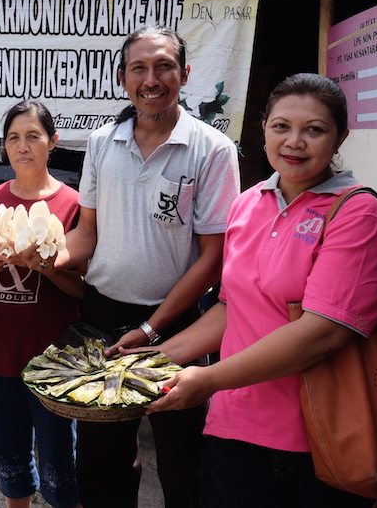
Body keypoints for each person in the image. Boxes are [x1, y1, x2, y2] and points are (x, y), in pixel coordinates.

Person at [135, 72, 377, 507]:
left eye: (314, 130)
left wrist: (208, 379)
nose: (294, 142)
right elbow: (232, 308)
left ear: (340, 137)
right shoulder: (247, 203)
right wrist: (154, 359)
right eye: (281, 126)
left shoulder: (357, 213)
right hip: (232, 430)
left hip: (317, 439)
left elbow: (323, 331)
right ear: (264, 129)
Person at [36, 27, 240, 508]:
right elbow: (87, 233)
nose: (152, 79)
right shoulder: (102, 142)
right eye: (139, 68)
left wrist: (152, 328)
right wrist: (51, 256)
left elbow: (213, 258)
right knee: (101, 460)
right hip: (102, 317)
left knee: (183, 458)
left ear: (184, 74)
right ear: (122, 78)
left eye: (164, 66)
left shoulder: (213, 149)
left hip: (178, 322)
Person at [0, 100, 83, 508]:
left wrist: (47, 268)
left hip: (55, 361)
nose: (23, 147)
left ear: (53, 141)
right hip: (0, 358)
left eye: (33, 136)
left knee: (60, 467)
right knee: (11, 464)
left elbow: (85, 290)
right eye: (13, 138)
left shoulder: (74, 205)